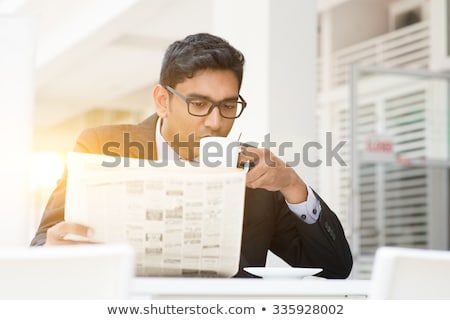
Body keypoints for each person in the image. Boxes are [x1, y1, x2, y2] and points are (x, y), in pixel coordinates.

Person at [31, 33, 353, 278]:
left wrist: (294, 187)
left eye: (228, 106)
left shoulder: (254, 172)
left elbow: (334, 268)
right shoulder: (101, 145)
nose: (215, 122)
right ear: (162, 101)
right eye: (198, 104)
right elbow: (43, 243)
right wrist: (51, 250)